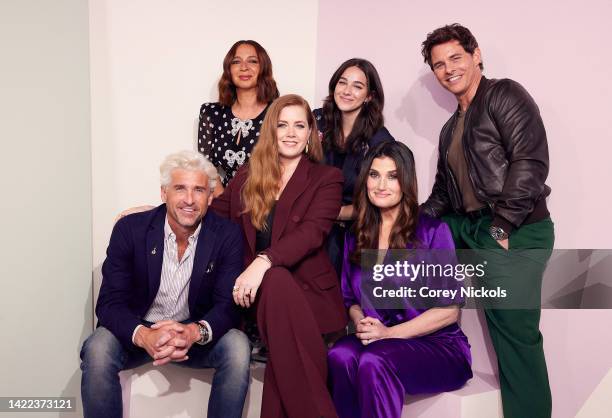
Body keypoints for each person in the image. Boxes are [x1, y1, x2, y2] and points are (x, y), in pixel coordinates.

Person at [420, 23, 554, 418]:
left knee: (515, 336)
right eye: (439, 65)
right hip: (471, 226)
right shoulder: (450, 129)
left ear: (475, 55)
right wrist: (404, 223)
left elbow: (530, 163)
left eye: (455, 58)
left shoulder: (504, 95)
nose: (448, 70)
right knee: (405, 259)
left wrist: (502, 227)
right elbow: (443, 195)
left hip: (517, 226)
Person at [80, 151, 251, 418]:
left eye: (199, 190)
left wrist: (194, 332)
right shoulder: (130, 229)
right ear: (163, 193)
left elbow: (227, 305)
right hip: (138, 330)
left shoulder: (226, 235)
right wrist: (144, 335)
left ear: (210, 197)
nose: (190, 200)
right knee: (98, 348)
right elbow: (109, 303)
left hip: (190, 335)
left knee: (238, 347)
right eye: (180, 188)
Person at [211, 94, 347, 418]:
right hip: (257, 299)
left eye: (299, 125)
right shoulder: (246, 176)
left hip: (308, 300)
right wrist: (155, 212)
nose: (290, 133)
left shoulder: (326, 179)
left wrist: (264, 260)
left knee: (280, 382)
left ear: (310, 133)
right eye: (282, 125)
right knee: (273, 282)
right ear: (271, 130)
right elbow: (212, 216)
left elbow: (311, 233)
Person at [327, 141, 472, 418]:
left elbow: (449, 310)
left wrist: (388, 334)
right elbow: (350, 300)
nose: (381, 185)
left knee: (375, 360)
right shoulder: (356, 236)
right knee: (339, 356)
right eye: (374, 175)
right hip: (380, 339)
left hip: (438, 345)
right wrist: (361, 322)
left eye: (392, 176)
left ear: (406, 182)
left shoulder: (432, 232)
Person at [313, 58, 395, 275]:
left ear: (369, 96)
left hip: (355, 228)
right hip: (313, 220)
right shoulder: (316, 121)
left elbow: (383, 199)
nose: (347, 91)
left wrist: (337, 213)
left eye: (357, 86)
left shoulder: (380, 141)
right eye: (343, 83)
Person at [198, 40, 279, 196]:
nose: (244, 67)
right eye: (236, 62)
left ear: (263, 68)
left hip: (267, 201)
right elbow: (206, 166)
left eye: (253, 61)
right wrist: (225, 203)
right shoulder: (211, 113)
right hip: (223, 201)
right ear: (229, 69)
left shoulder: (278, 113)